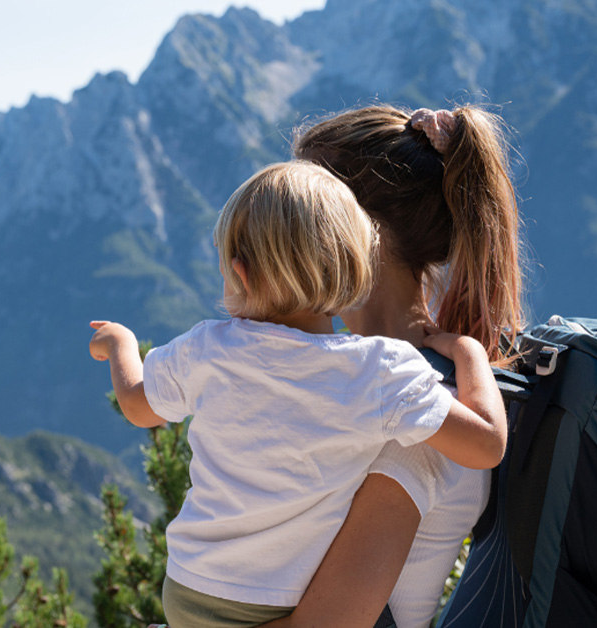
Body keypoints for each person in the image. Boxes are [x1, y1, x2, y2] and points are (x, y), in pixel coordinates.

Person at [88, 160, 507, 628]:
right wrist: (469, 352)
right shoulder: (379, 372)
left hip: (186, 591)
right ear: (353, 269)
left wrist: (121, 343)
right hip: (273, 607)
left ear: (241, 274)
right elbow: (487, 444)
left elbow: (137, 405)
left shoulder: (208, 348)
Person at [261, 105, 527, 628]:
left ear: (362, 231)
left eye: (304, 211)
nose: (288, 236)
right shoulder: (378, 383)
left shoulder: (419, 416)